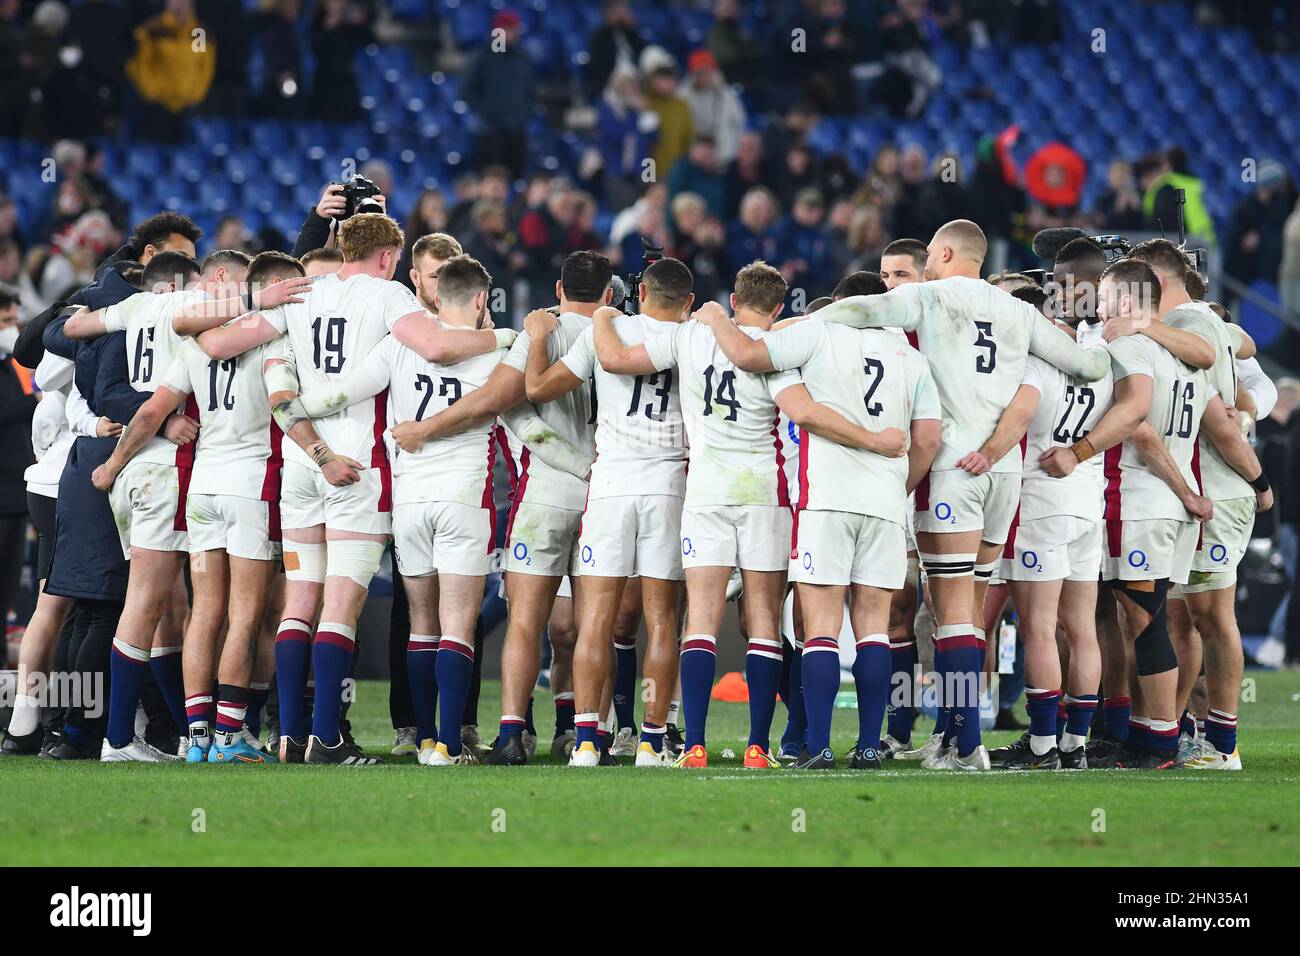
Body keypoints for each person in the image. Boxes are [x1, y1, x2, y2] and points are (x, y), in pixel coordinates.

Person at [189, 213, 512, 765]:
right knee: (339, 605)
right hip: (356, 466)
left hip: (299, 463)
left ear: (340, 246)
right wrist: (503, 335)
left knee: (298, 602)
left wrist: (253, 298)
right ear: (389, 256)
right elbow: (436, 348)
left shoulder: (300, 295)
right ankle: (328, 739)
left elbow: (215, 344)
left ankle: (289, 735)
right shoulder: (388, 297)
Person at [811, 219, 1111, 770]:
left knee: (950, 611)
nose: (924, 264)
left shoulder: (927, 296)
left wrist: (808, 323)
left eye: (928, 254)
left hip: (954, 470)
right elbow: (1090, 365)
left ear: (944, 252)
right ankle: (953, 737)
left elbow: (862, 310)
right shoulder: (1023, 313)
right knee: (969, 612)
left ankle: (969, 746)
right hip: (1006, 477)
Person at [597, 260, 915, 768]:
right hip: (766, 495)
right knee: (766, 622)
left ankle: (695, 745)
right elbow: (803, 411)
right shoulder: (776, 355)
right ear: (779, 307)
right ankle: (757, 747)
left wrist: (601, 315)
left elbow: (615, 360)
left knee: (699, 618)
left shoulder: (688, 338)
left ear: (733, 299)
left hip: (705, 493)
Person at [702, 263, 940, 770]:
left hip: (827, 500)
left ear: (838, 303)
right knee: (874, 629)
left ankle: (820, 746)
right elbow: (928, 441)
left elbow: (747, 354)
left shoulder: (817, 333)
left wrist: (715, 319)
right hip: (884, 504)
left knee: (822, 630)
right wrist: (899, 485)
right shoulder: (912, 359)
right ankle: (872, 746)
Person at [1042, 259, 1268, 769]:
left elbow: (1136, 421)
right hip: (1172, 507)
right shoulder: (1184, 354)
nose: (1096, 306)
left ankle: (1161, 741)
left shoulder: (1128, 349)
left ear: (1124, 301)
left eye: (1103, 296)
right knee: (1152, 621)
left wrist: (1077, 452)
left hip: (1140, 500)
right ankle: (1149, 734)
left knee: (1147, 625)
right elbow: (1216, 408)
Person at [288, 256, 509, 766]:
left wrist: (287, 402)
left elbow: (338, 394)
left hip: (409, 504)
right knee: (458, 625)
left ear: (436, 294)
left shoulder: (397, 346)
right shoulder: (502, 351)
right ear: (480, 300)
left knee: (422, 627)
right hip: (463, 500)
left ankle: (424, 736)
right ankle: (449, 747)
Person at [392, 251, 608, 765]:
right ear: (611, 296)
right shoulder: (623, 335)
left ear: (557, 290)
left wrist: (421, 429)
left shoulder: (533, 335)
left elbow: (501, 399)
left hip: (541, 497)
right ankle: (592, 737)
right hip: (606, 494)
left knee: (524, 623)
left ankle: (512, 734)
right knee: (595, 624)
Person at [524, 258, 695, 767]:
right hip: (670, 486)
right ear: (686, 301)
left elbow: (538, 389)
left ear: (639, 292)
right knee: (663, 623)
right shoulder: (695, 339)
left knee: (594, 620)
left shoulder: (609, 330)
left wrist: (537, 338)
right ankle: (651, 742)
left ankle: (584, 744)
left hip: (611, 486)